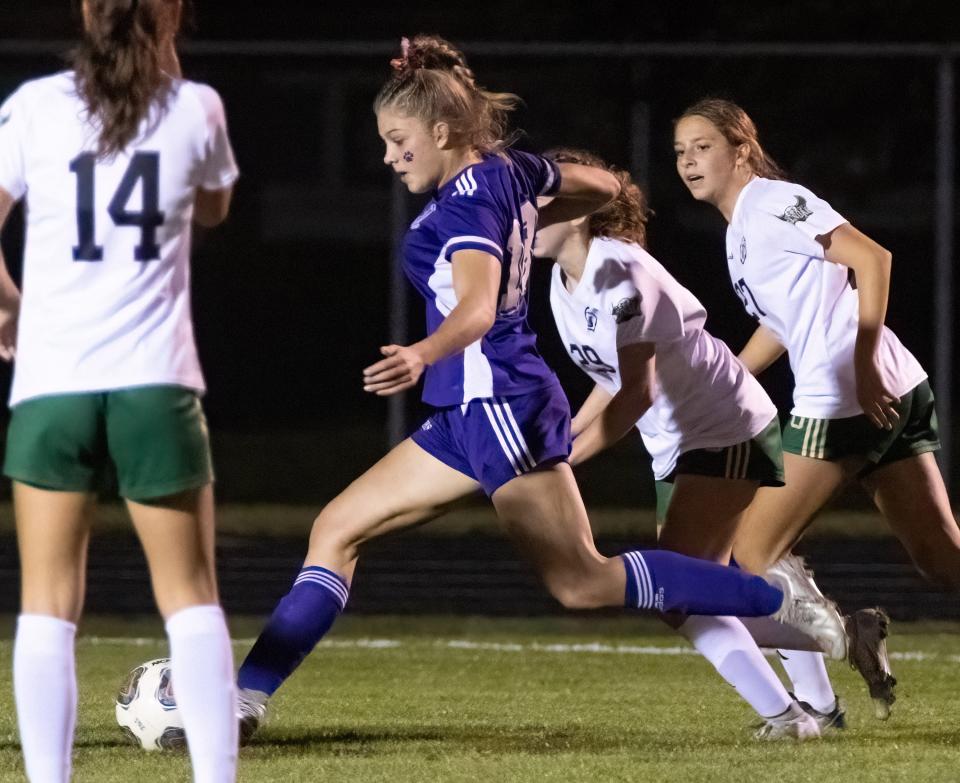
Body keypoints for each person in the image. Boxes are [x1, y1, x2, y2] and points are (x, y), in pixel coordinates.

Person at [233, 36, 833, 742]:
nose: (390, 157)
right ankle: (244, 699)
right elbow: (606, 187)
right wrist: (537, 207)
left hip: (499, 403)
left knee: (581, 581)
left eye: (398, 142)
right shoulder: (509, 172)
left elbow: (479, 308)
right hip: (466, 410)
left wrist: (423, 351)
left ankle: (773, 597)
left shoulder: (466, 205)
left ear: (441, 131)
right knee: (335, 528)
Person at [0, 1, 239, 780]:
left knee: (46, 605)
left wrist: (12, 305)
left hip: (52, 386)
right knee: (191, 599)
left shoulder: (34, 106)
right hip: (153, 384)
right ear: (170, 16)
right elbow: (215, 205)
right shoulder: (196, 106)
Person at [537, 147, 851, 739]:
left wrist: (561, 462)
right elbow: (610, 383)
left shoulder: (620, 273)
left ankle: (790, 707)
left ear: (578, 210)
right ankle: (816, 703)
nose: (522, 216)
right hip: (682, 444)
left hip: (724, 427)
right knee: (687, 593)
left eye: (536, 202)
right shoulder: (564, 283)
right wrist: (560, 442)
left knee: (677, 594)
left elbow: (635, 395)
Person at [671, 97, 957, 718]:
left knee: (751, 555)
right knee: (943, 559)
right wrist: (731, 378)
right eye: (679, 151)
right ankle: (843, 635)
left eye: (702, 147)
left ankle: (845, 633)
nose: (688, 161)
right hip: (898, 388)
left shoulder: (773, 202)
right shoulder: (741, 227)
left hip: (846, 396)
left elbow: (872, 258)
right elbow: (784, 320)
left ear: (741, 150)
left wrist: (861, 359)